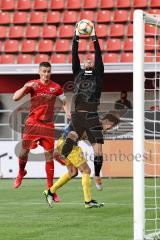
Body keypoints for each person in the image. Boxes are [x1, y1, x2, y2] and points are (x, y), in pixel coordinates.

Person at [13, 62, 70, 202]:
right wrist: (26, 87)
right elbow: (15, 97)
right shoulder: (33, 84)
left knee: (49, 157)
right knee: (24, 152)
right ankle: (21, 172)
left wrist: (68, 112)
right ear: (39, 72)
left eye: (48, 71)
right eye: (44, 71)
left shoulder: (56, 87)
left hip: (48, 126)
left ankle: (50, 190)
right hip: (33, 123)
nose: (46, 74)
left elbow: (64, 101)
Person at [61, 23, 105, 191]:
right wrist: (76, 37)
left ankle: (98, 174)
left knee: (99, 152)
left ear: (93, 64)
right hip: (78, 116)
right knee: (66, 147)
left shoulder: (98, 74)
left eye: (90, 60)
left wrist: (93, 36)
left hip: (92, 116)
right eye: (85, 60)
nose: (88, 60)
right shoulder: (77, 73)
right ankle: (72, 170)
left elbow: (99, 55)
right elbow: (74, 55)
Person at [43, 113, 120, 208]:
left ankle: (50, 192)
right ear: (109, 122)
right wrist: (97, 175)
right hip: (69, 145)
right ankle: (88, 201)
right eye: (113, 126)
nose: (111, 128)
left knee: (73, 172)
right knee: (86, 170)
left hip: (62, 142)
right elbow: (98, 151)